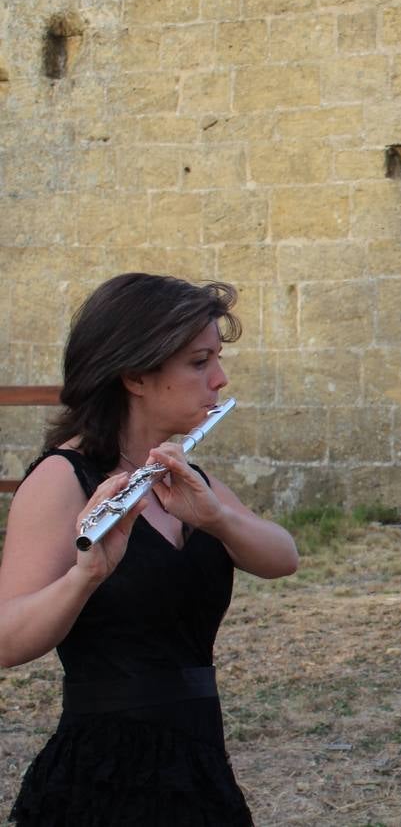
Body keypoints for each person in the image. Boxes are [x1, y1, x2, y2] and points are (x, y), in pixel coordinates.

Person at [1, 274, 300, 825]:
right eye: (198, 362)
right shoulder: (63, 480)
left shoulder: (182, 474)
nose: (219, 378)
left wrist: (220, 519)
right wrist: (84, 577)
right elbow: (6, 639)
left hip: (196, 763)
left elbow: (283, 557)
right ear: (136, 375)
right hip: (104, 776)